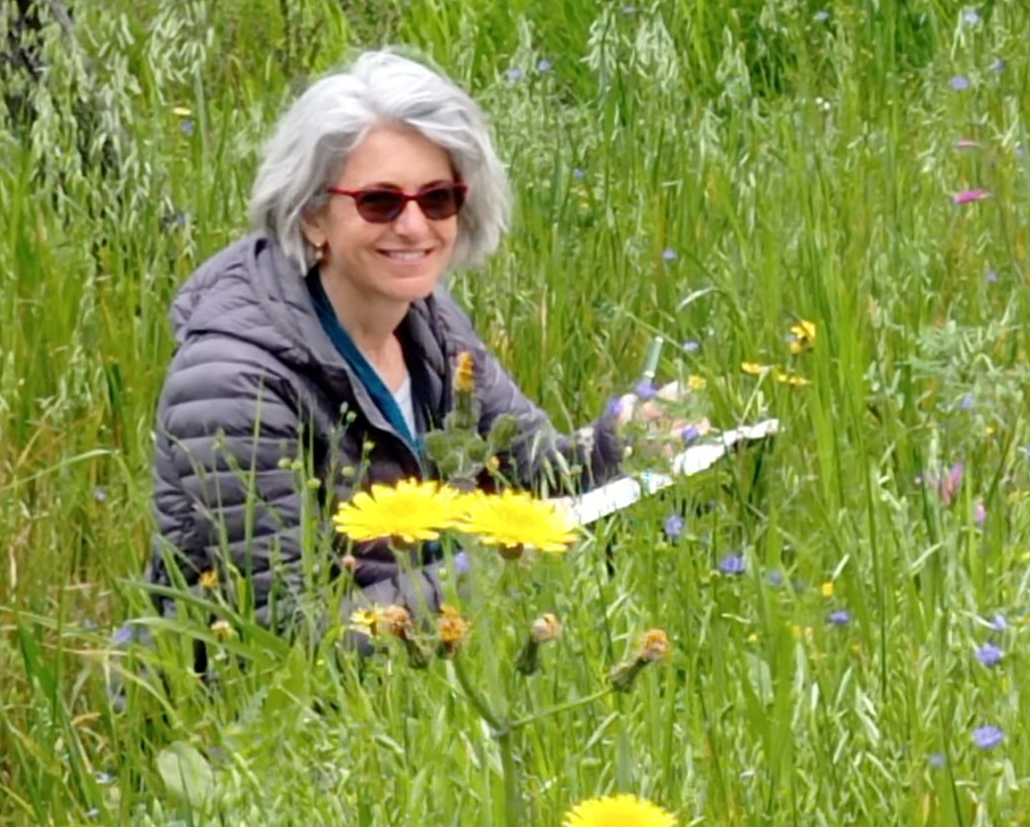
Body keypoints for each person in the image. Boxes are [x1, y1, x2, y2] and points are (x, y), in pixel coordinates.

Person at [147, 48, 660, 639]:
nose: (414, 226)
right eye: (380, 201)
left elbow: (535, 475)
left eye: (437, 198)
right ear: (312, 216)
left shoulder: (429, 319)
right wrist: (500, 571)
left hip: (416, 670)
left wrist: (625, 440)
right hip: (254, 715)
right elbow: (286, 632)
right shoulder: (230, 384)